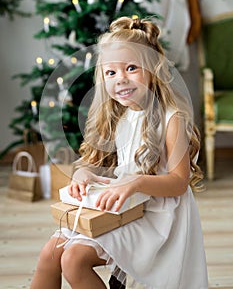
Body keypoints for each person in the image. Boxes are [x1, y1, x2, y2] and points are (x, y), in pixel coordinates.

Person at [30, 16, 208, 289]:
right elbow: (92, 163)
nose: (121, 79)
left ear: (153, 69)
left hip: (158, 218)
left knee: (74, 260)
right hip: (123, 207)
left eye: (131, 68)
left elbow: (179, 181)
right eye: (111, 73)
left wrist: (133, 182)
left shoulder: (173, 119)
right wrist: (83, 175)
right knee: (50, 254)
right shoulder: (117, 116)